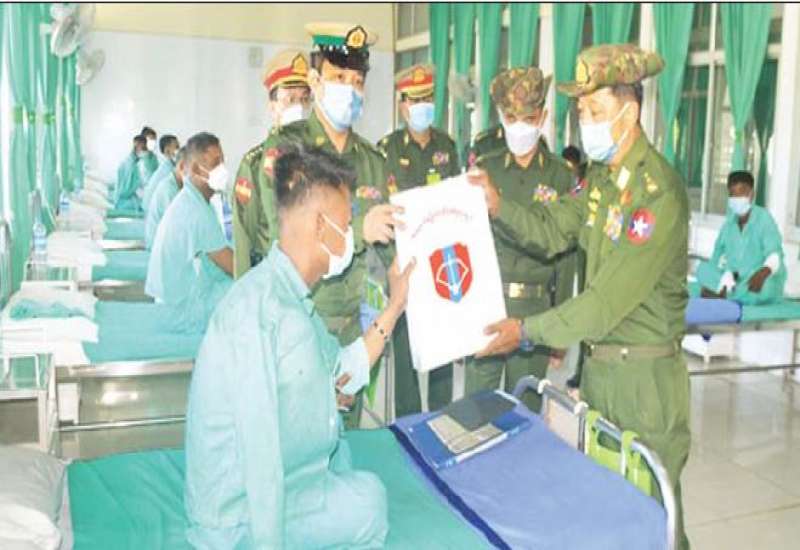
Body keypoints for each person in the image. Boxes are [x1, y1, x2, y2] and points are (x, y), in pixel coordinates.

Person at [468, 44, 691, 550]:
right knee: (609, 517)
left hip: (644, 385)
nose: (584, 122)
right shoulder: (602, 182)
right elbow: (551, 229)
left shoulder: (656, 193)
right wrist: (498, 205)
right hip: (602, 374)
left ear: (629, 112)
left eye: (594, 111)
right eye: (581, 111)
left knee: (654, 521)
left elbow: (603, 304)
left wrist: (526, 331)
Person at [185, 145, 414, 549]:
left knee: (356, 481)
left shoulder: (288, 297)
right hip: (238, 518)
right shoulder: (256, 313)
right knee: (370, 502)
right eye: (347, 223)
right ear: (321, 226)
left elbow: (343, 368)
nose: (350, 234)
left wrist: (395, 306)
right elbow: (260, 456)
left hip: (278, 486)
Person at [234, 22, 401, 427]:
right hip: (297, 327)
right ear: (315, 80)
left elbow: (392, 246)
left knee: (346, 443)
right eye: (339, 78)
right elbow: (287, 241)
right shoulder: (284, 151)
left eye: (357, 81)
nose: (350, 89)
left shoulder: (372, 161)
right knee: (298, 439)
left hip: (351, 331)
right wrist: (359, 230)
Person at [464, 67, 575, 412]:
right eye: (511, 118)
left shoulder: (561, 175)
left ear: (542, 116)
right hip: (486, 306)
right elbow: (463, 242)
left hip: (535, 312)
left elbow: (567, 258)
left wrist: (560, 330)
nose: (520, 126)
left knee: (525, 413)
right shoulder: (485, 170)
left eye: (528, 118)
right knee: (476, 412)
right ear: (501, 116)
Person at [377, 63, 460, 414]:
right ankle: (407, 425)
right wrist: (391, 266)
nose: (421, 106)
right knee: (405, 357)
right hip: (403, 270)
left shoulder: (448, 147)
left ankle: (441, 421)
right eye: (414, 100)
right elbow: (380, 214)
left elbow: (457, 206)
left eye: (427, 99)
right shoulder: (386, 150)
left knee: (442, 353)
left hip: (441, 265)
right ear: (402, 106)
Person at [232, 49, 312, 275]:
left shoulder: (322, 157)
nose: (299, 107)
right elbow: (244, 239)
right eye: (290, 99)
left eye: (304, 99)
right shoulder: (255, 164)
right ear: (272, 106)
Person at [145, 132, 233, 333]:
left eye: (223, 162)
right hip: (179, 312)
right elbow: (234, 267)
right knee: (248, 294)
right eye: (216, 163)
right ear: (194, 169)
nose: (222, 170)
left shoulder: (192, 200)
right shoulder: (196, 211)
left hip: (171, 300)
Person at [696, 170, 786, 304]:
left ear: (751, 194)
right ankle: (728, 294)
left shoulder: (764, 219)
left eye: (742, 192)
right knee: (702, 269)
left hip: (758, 277)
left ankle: (723, 295)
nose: (737, 197)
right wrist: (727, 275)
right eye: (733, 194)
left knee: (766, 288)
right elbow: (716, 258)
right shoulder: (728, 225)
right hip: (735, 281)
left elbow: (775, 254)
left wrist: (763, 272)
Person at [144, 147, 186, 249]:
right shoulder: (169, 189)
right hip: (159, 247)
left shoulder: (177, 182)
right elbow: (177, 228)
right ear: (182, 166)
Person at [114, 134, 152, 211]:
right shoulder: (130, 164)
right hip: (124, 202)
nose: (145, 151)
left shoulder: (133, 161)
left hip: (125, 198)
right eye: (143, 148)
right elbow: (125, 191)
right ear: (137, 146)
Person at [142, 134, 180, 212]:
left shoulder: (167, 167)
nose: (179, 150)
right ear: (167, 151)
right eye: (176, 147)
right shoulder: (167, 172)